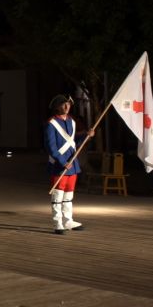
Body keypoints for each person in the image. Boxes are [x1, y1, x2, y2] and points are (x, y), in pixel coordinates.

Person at [45, 94, 94, 234]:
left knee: (68, 195)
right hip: (59, 165)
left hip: (72, 163)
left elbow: (73, 143)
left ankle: (68, 220)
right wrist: (62, 162)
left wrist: (86, 135)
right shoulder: (51, 123)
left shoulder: (72, 121)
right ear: (57, 107)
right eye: (63, 104)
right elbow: (50, 146)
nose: (67, 107)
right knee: (58, 195)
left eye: (68, 104)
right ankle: (57, 222)